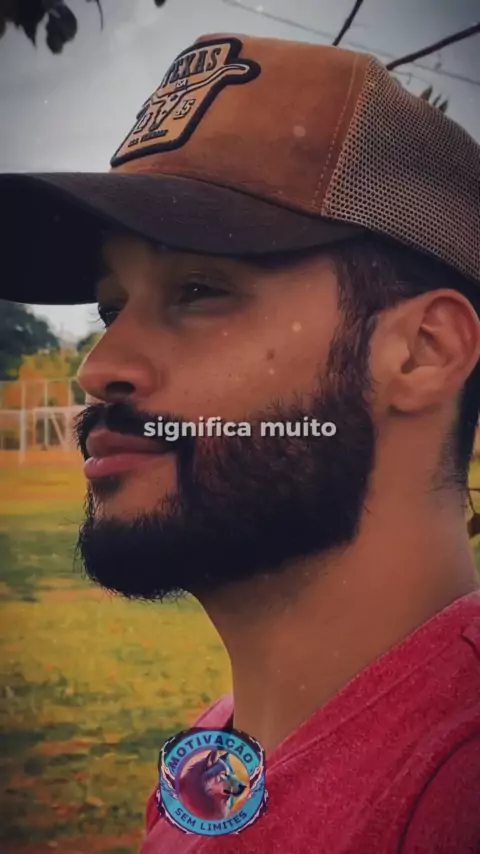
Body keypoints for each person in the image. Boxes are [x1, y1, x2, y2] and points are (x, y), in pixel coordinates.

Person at [1, 31, 480, 854]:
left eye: (198, 290)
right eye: (112, 308)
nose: (99, 369)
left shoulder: (455, 796)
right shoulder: (214, 760)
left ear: (422, 353)